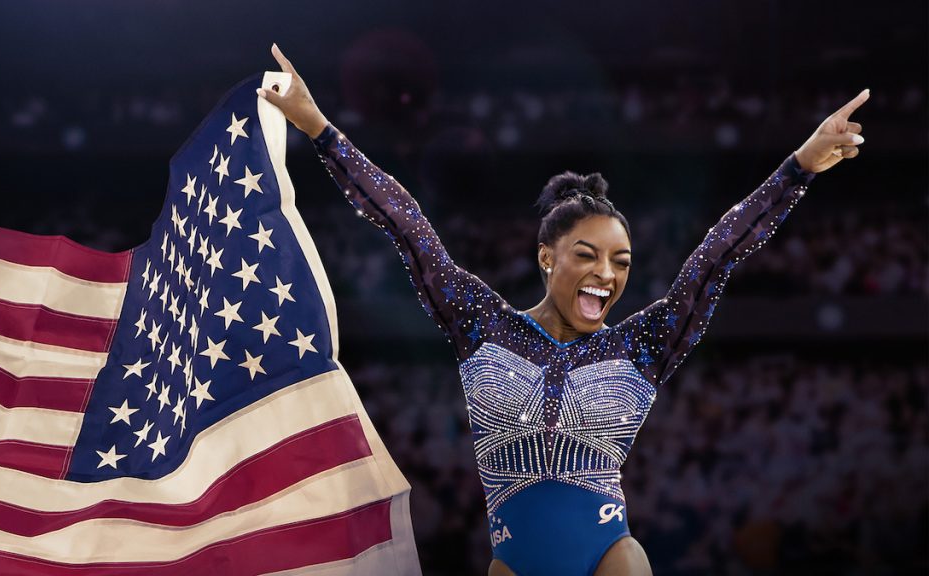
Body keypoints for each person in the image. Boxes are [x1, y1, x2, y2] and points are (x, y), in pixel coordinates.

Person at [257, 43, 868, 576]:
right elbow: (406, 228)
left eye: (622, 262)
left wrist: (799, 168)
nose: (607, 273)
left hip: (612, 558)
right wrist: (319, 129)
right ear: (547, 257)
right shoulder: (482, 325)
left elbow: (716, 258)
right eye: (589, 255)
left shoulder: (643, 345)